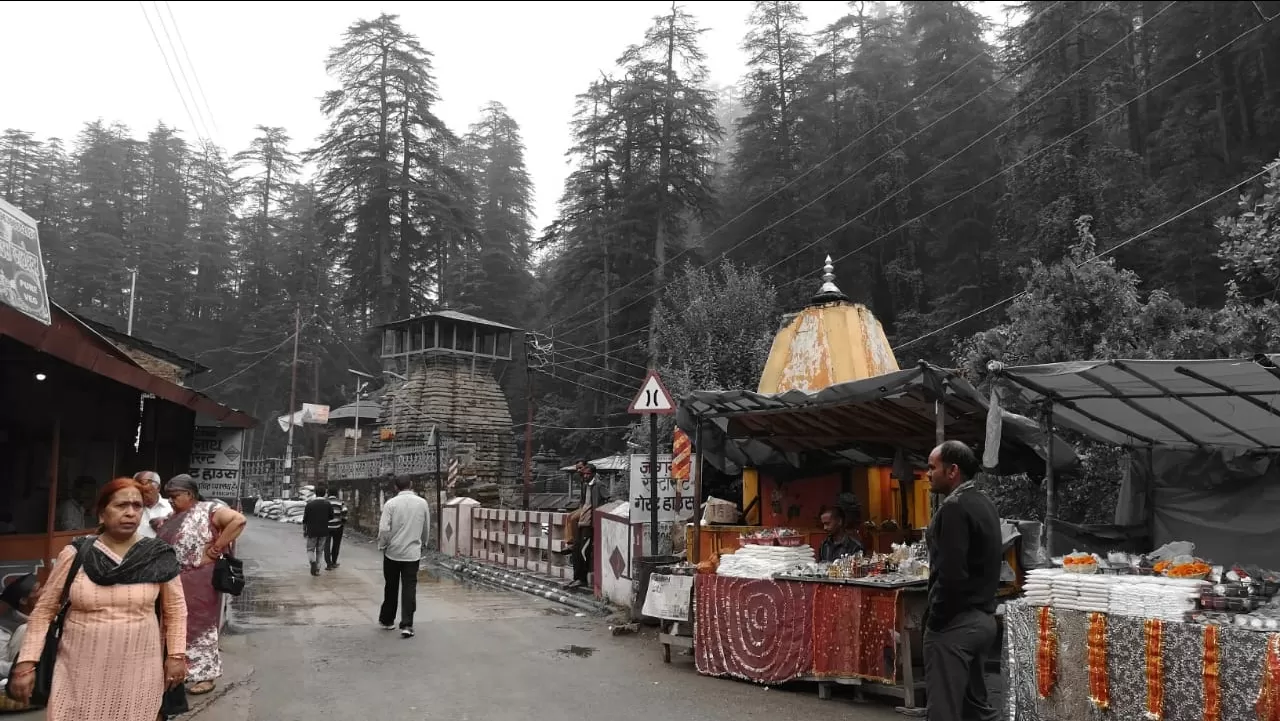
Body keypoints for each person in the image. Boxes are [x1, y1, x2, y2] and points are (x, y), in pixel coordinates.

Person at [8, 478, 188, 720]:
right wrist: (26, 662)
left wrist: (176, 656)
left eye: (137, 506)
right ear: (102, 513)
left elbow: (176, 610)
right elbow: (44, 610)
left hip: (139, 669)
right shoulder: (77, 553)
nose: (130, 513)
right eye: (121, 506)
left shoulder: (157, 556)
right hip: (77, 670)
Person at [923, 440, 1002, 721]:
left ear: (953, 470)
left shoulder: (955, 507)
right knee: (975, 709)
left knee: (944, 710)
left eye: (932, 467)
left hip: (957, 624)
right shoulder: (984, 503)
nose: (927, 473)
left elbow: (952, 575)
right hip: (983, 619)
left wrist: (936, 620)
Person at [155, 474, 246, 696]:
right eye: (169, 497)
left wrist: (217, 547)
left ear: (190, 494)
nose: (171, 501)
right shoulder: (173, 516)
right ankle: (180, 672)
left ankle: (206, 674)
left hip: (200, 579)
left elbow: (238, 520)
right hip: (175, 578)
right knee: (176, 626)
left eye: (175, 496)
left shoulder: (209, 509)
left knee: (201, 626)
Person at [377, 476, 431, 639]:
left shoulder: (391, 504)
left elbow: (384, 529)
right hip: (412, 553)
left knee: (391, 586)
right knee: (409, 587)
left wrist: (383, 545)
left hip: (393, 552)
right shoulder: (422, 503)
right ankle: (407, 624)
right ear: (411, 484)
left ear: (395, 487)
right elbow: (426, 526)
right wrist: (424, 543)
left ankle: (387, 620)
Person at [568, 462, 604, 589]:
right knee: (576, 550)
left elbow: (606, 499)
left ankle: (583, 579)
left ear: (593, 474)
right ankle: (576, 577)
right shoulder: (585, 485)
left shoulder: (598, 485)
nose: (586, 476)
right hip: (582, 521)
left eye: (588, 474)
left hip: (590, 523)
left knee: (584, 551)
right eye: (584, 474)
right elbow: (583, 503)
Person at [0, 573, 37, 678]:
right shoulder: (4, 628)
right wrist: (23, 669)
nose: (43, 592)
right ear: (24, 600)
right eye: (37, 590)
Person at [133, 471, 173, 539]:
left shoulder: (171, 507)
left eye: (147, 491)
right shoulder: (131, 509)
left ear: (158, 488)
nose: (143, 495)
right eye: (139, 492)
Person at [303, 489, 333, 576]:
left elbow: (305, 520)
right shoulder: (327, 504)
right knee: (320, 551)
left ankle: (312, 562)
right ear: (324, 494)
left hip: (312, 531)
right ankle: (317, 569)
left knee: (310, 549)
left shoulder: (310, 505)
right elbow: (331, 517)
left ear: (315, 493)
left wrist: (304, 530)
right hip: (324, 530)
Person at [325, 490, 350, 570]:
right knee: (336, 545)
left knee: (327, 546)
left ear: (328, 493)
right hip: (338, 527)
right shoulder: (340, 502)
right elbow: (345, 511)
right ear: (336, 494)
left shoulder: (325, 502)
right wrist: (343, 521)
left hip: (327, 527)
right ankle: (334, 562)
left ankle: (328, 564)